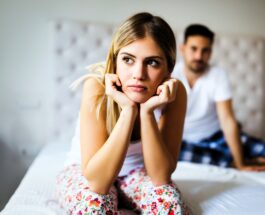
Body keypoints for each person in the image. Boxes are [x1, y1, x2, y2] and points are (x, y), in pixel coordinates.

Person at [55, 12, 191, 215]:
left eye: (152, 62)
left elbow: (160, 177)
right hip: (86, 172)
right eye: (128, 59)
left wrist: (146, 112)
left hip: (137, 174)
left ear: (168, 70)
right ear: (115, 60)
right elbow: (98, 182)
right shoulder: (96, 86)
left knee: (169, 204)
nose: (138, 74)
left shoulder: (175, 93)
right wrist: (128, 110)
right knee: (94, 206)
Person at [173, 24, 265, 173]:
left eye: (205, 50)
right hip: (183, 141)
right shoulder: (171, 74)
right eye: (194, 49)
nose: (199, 56)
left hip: (216, 137)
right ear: (182, 48)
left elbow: (227, 119)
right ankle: (234, 158)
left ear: (211, 52)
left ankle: (238, 156)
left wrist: (241, 164)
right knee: (174, 154)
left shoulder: (217, 75)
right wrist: (242, 162)